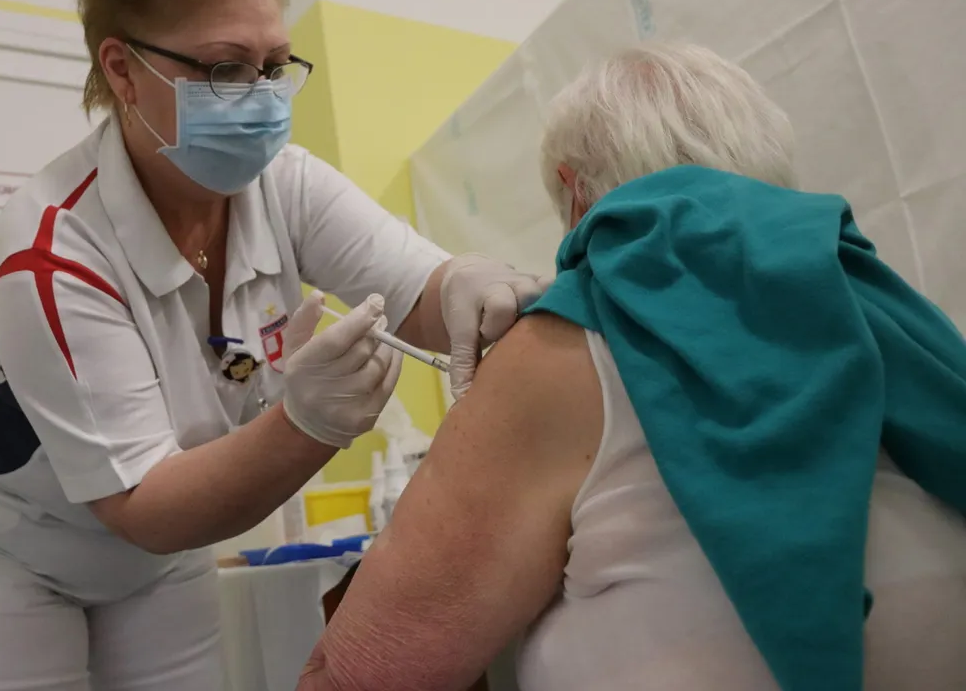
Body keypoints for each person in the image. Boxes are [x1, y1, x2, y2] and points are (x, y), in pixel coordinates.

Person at [0, 0, 544, 690]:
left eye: (275, 66)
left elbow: (419, 293)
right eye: (227, 68)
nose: (262, 97)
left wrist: (469, 284)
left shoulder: (284, 186)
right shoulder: (52, 256)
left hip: (156, 560)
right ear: (123, 69)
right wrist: (308, 424)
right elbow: (145, 505)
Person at [298, 44, 966, 691]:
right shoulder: (899, 317)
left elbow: (361, 673)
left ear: (576, 193)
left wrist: (296, 426)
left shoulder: (567, 343)